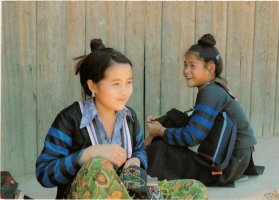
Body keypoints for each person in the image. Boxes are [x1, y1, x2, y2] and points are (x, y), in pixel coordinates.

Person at [36, 39, 208, 199]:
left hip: (126, 191)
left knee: (194, 189)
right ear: (92, 86)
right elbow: (44, 173)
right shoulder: (70, 119)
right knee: (97, 167)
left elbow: (140, 149)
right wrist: (89, 154)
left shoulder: (129, 117)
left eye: (129, 82)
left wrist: (137, 160)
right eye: (116, 84)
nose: (125, 91)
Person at [146, 33, 259, 186]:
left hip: (226, 166)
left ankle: (137, 163)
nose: (186, 71)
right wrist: (161, 121)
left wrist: (161, 131)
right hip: (235, 159)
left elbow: (193, 136)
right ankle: (139, 155)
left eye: (192, 66)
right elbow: (195, 115)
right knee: (170, 119)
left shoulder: (210, 92)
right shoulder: (215, 88)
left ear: (210, 67)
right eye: (185, 64)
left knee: (160, 150)